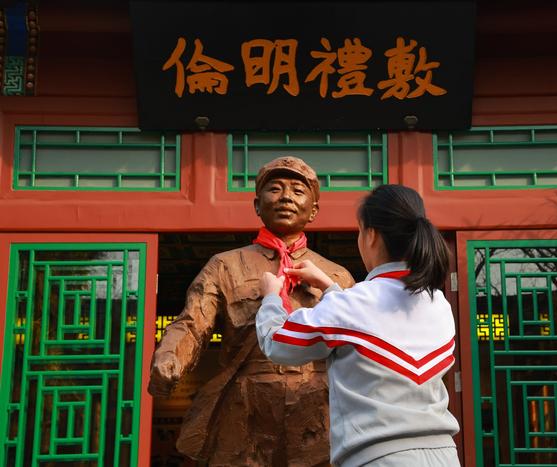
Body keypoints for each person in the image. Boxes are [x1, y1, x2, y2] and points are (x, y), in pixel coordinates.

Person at [148, 156, 355, 466]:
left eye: (298, 191)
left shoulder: (336, 276)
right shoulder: (225, 265)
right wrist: (169, 356)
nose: (286, 197)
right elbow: (193, 323)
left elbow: (357, 342)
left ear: (313, 210)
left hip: (316, 406)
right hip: (245, 405)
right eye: (275, 188)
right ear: (257, 205)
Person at [257, 184, 461, 467]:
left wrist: (270, 297)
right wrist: (331, 288)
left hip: (379, 459)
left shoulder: (351, 305)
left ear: (372, 236)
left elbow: (277, 342)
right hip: (444, 455)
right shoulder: (439, 303)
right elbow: (373, 322)